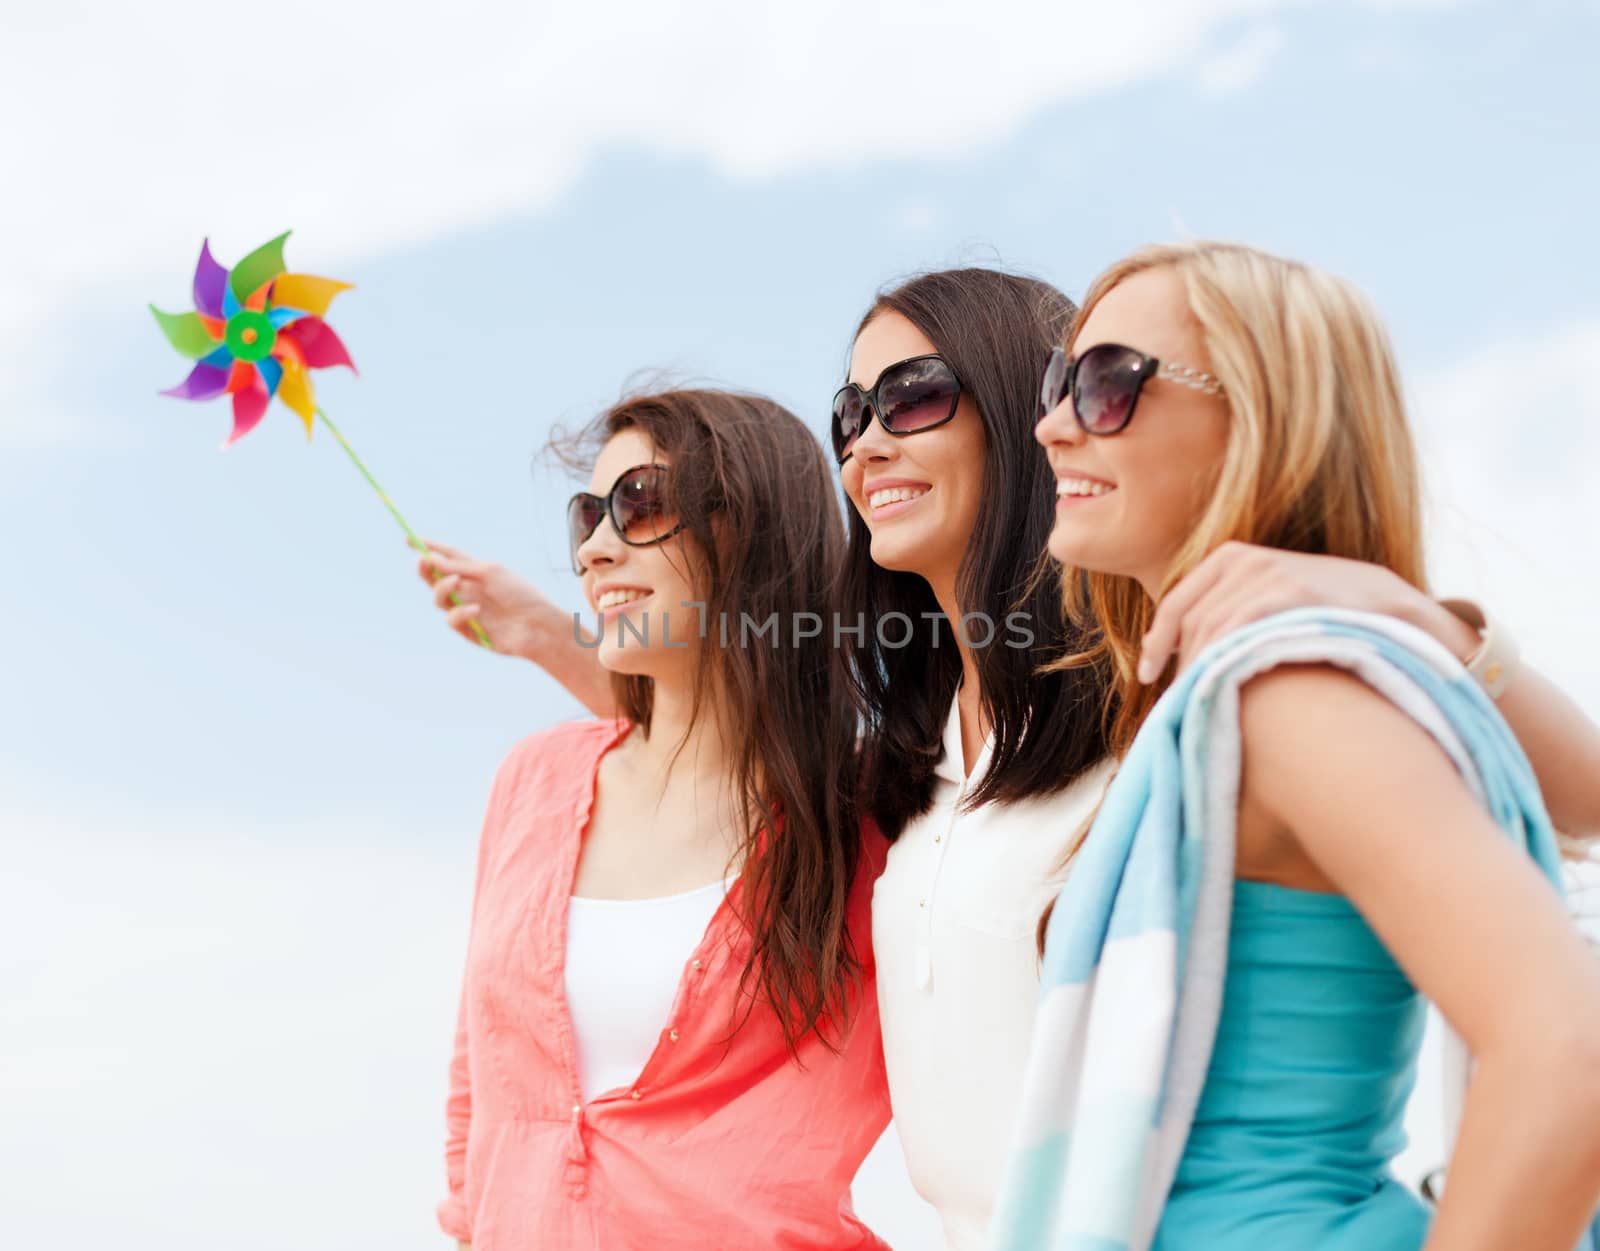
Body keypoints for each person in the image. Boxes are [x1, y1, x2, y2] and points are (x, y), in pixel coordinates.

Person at [421, 269, 1600, 1251]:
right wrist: (554, 640)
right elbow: (705, 757)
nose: (868, 439)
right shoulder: (913, 778)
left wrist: (1416, 620)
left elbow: (1573, 852)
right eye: (850, 414)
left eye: (915, 395)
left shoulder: (1159, 708)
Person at [1023, 240, 1600, 1248]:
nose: (1052, 424)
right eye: (1057, 380)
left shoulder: (1287, 699)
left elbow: (1569, 1050)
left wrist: (1415, 616)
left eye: (1108, 383)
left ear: (1259, 417)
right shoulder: (1226, 705)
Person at [436, 388, 891, 1251]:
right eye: (586, 518)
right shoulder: (533, 781)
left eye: (638, 505)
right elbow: (476, 1094)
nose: (595, 550)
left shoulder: (870, 816)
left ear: (747, 529)